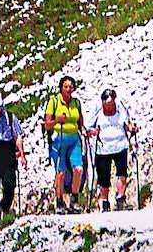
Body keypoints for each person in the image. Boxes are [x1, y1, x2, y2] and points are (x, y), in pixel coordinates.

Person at [89, 88, 138, 212]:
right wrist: (93, 132)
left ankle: (120, 198)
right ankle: (104, 202)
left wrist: (132, 129)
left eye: (111, 105)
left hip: (120, 145)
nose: (109, 107)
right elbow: (89, 127)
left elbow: (127, 124)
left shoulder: (121, 108)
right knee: (103, 177)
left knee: (122, 172)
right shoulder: (97, 110)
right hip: (103, 148)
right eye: (106, 105)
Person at [41, 77, 86, 211]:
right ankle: (59, 201)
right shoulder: (54, 102)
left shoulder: (76, 103)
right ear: (61, 87)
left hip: (74, 139)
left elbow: (80, 120)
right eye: (66, 86)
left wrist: (83, 130)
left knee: (78, 169)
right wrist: (57, 120)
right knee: (60, 172)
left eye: (71, 86)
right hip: (58, 138)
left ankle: (74, 198)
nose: (68, 89)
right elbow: (47, 124)